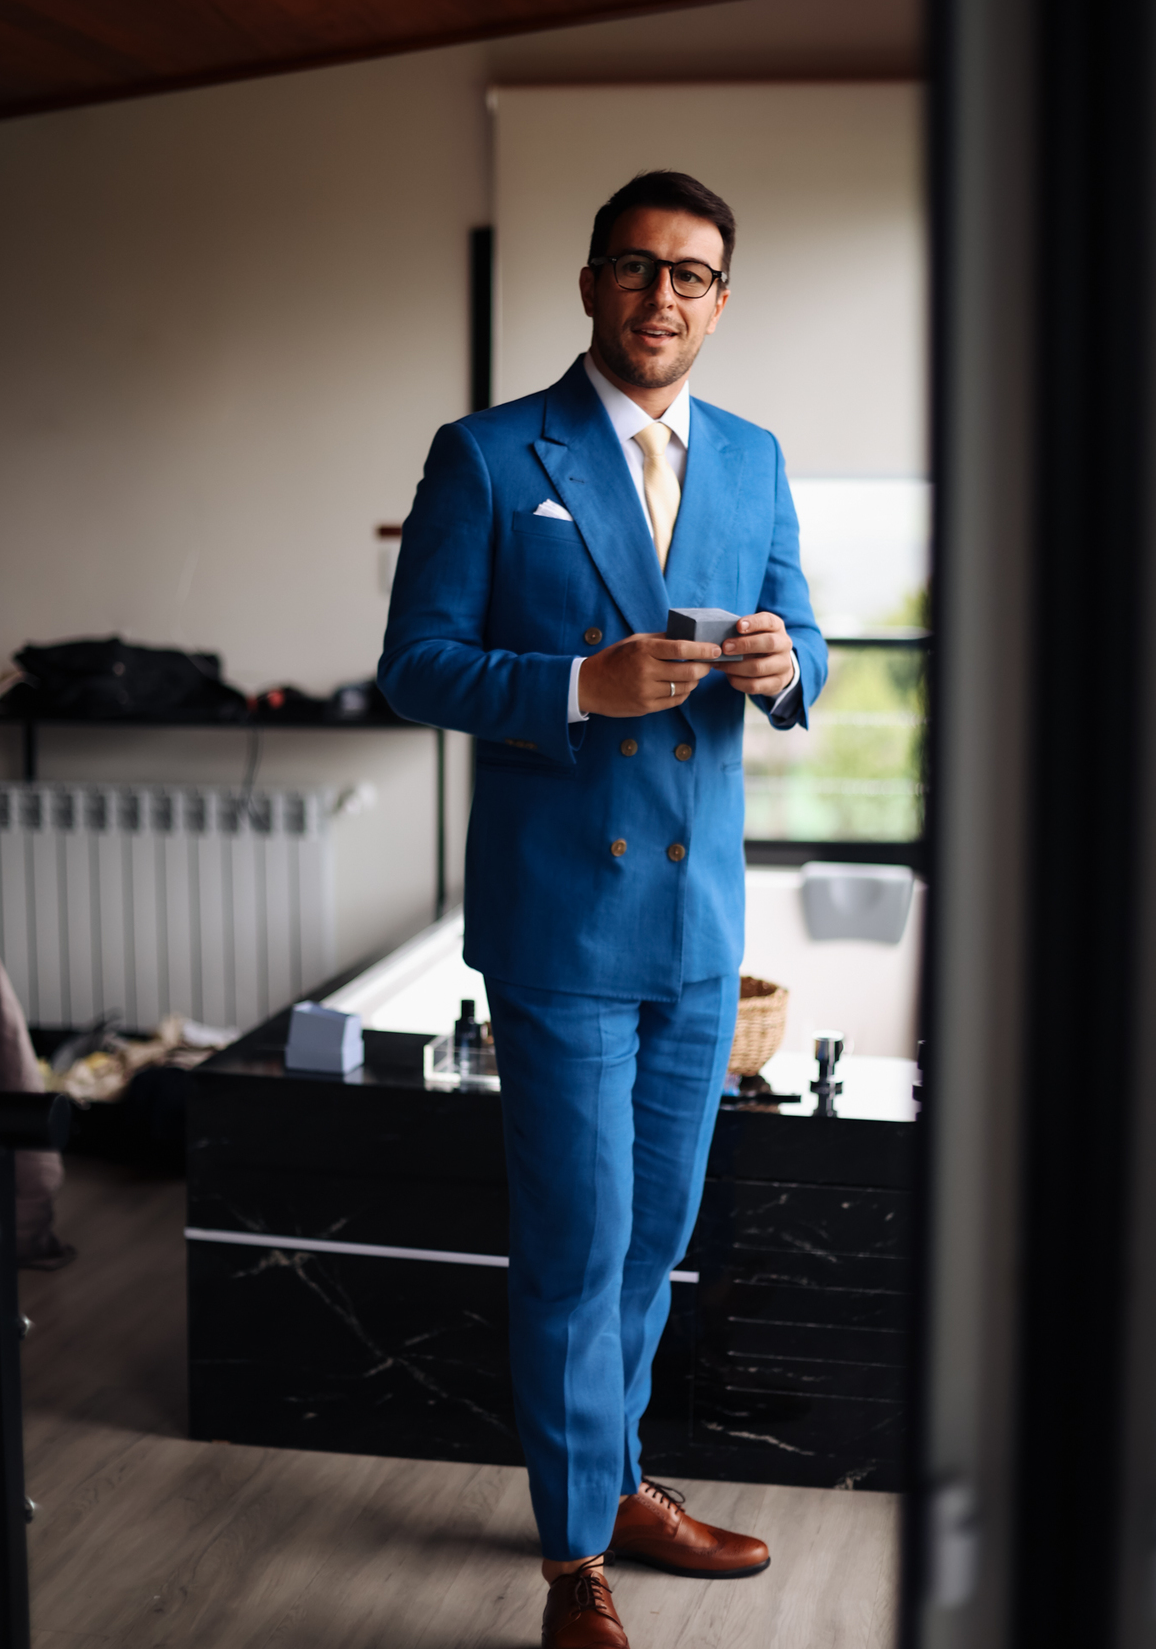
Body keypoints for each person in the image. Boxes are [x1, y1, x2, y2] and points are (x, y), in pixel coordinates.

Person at [379, 170, 826, 1648]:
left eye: (691, 275)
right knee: (580, 1241)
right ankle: (575, 1558)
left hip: (699, 928)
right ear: (589, 284)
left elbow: (805, 629)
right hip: (563, 919)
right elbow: (418, 663)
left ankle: (619, 1481)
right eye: (637, 267)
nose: (661, 296)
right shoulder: (490, 453)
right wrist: (578, 683)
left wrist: (787, 666)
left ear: (720, 301)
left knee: (652, 1237)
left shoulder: (754, 456)